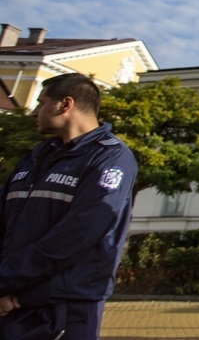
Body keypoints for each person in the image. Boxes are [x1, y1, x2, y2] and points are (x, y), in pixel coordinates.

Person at [0, 73, 138, 340]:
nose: (34, 112)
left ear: (65, 105)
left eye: (41, 104)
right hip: (11, 303)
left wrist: (6, 280)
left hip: (63, 308)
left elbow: (77, 235)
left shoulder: (110, 157)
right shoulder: (35, 157)